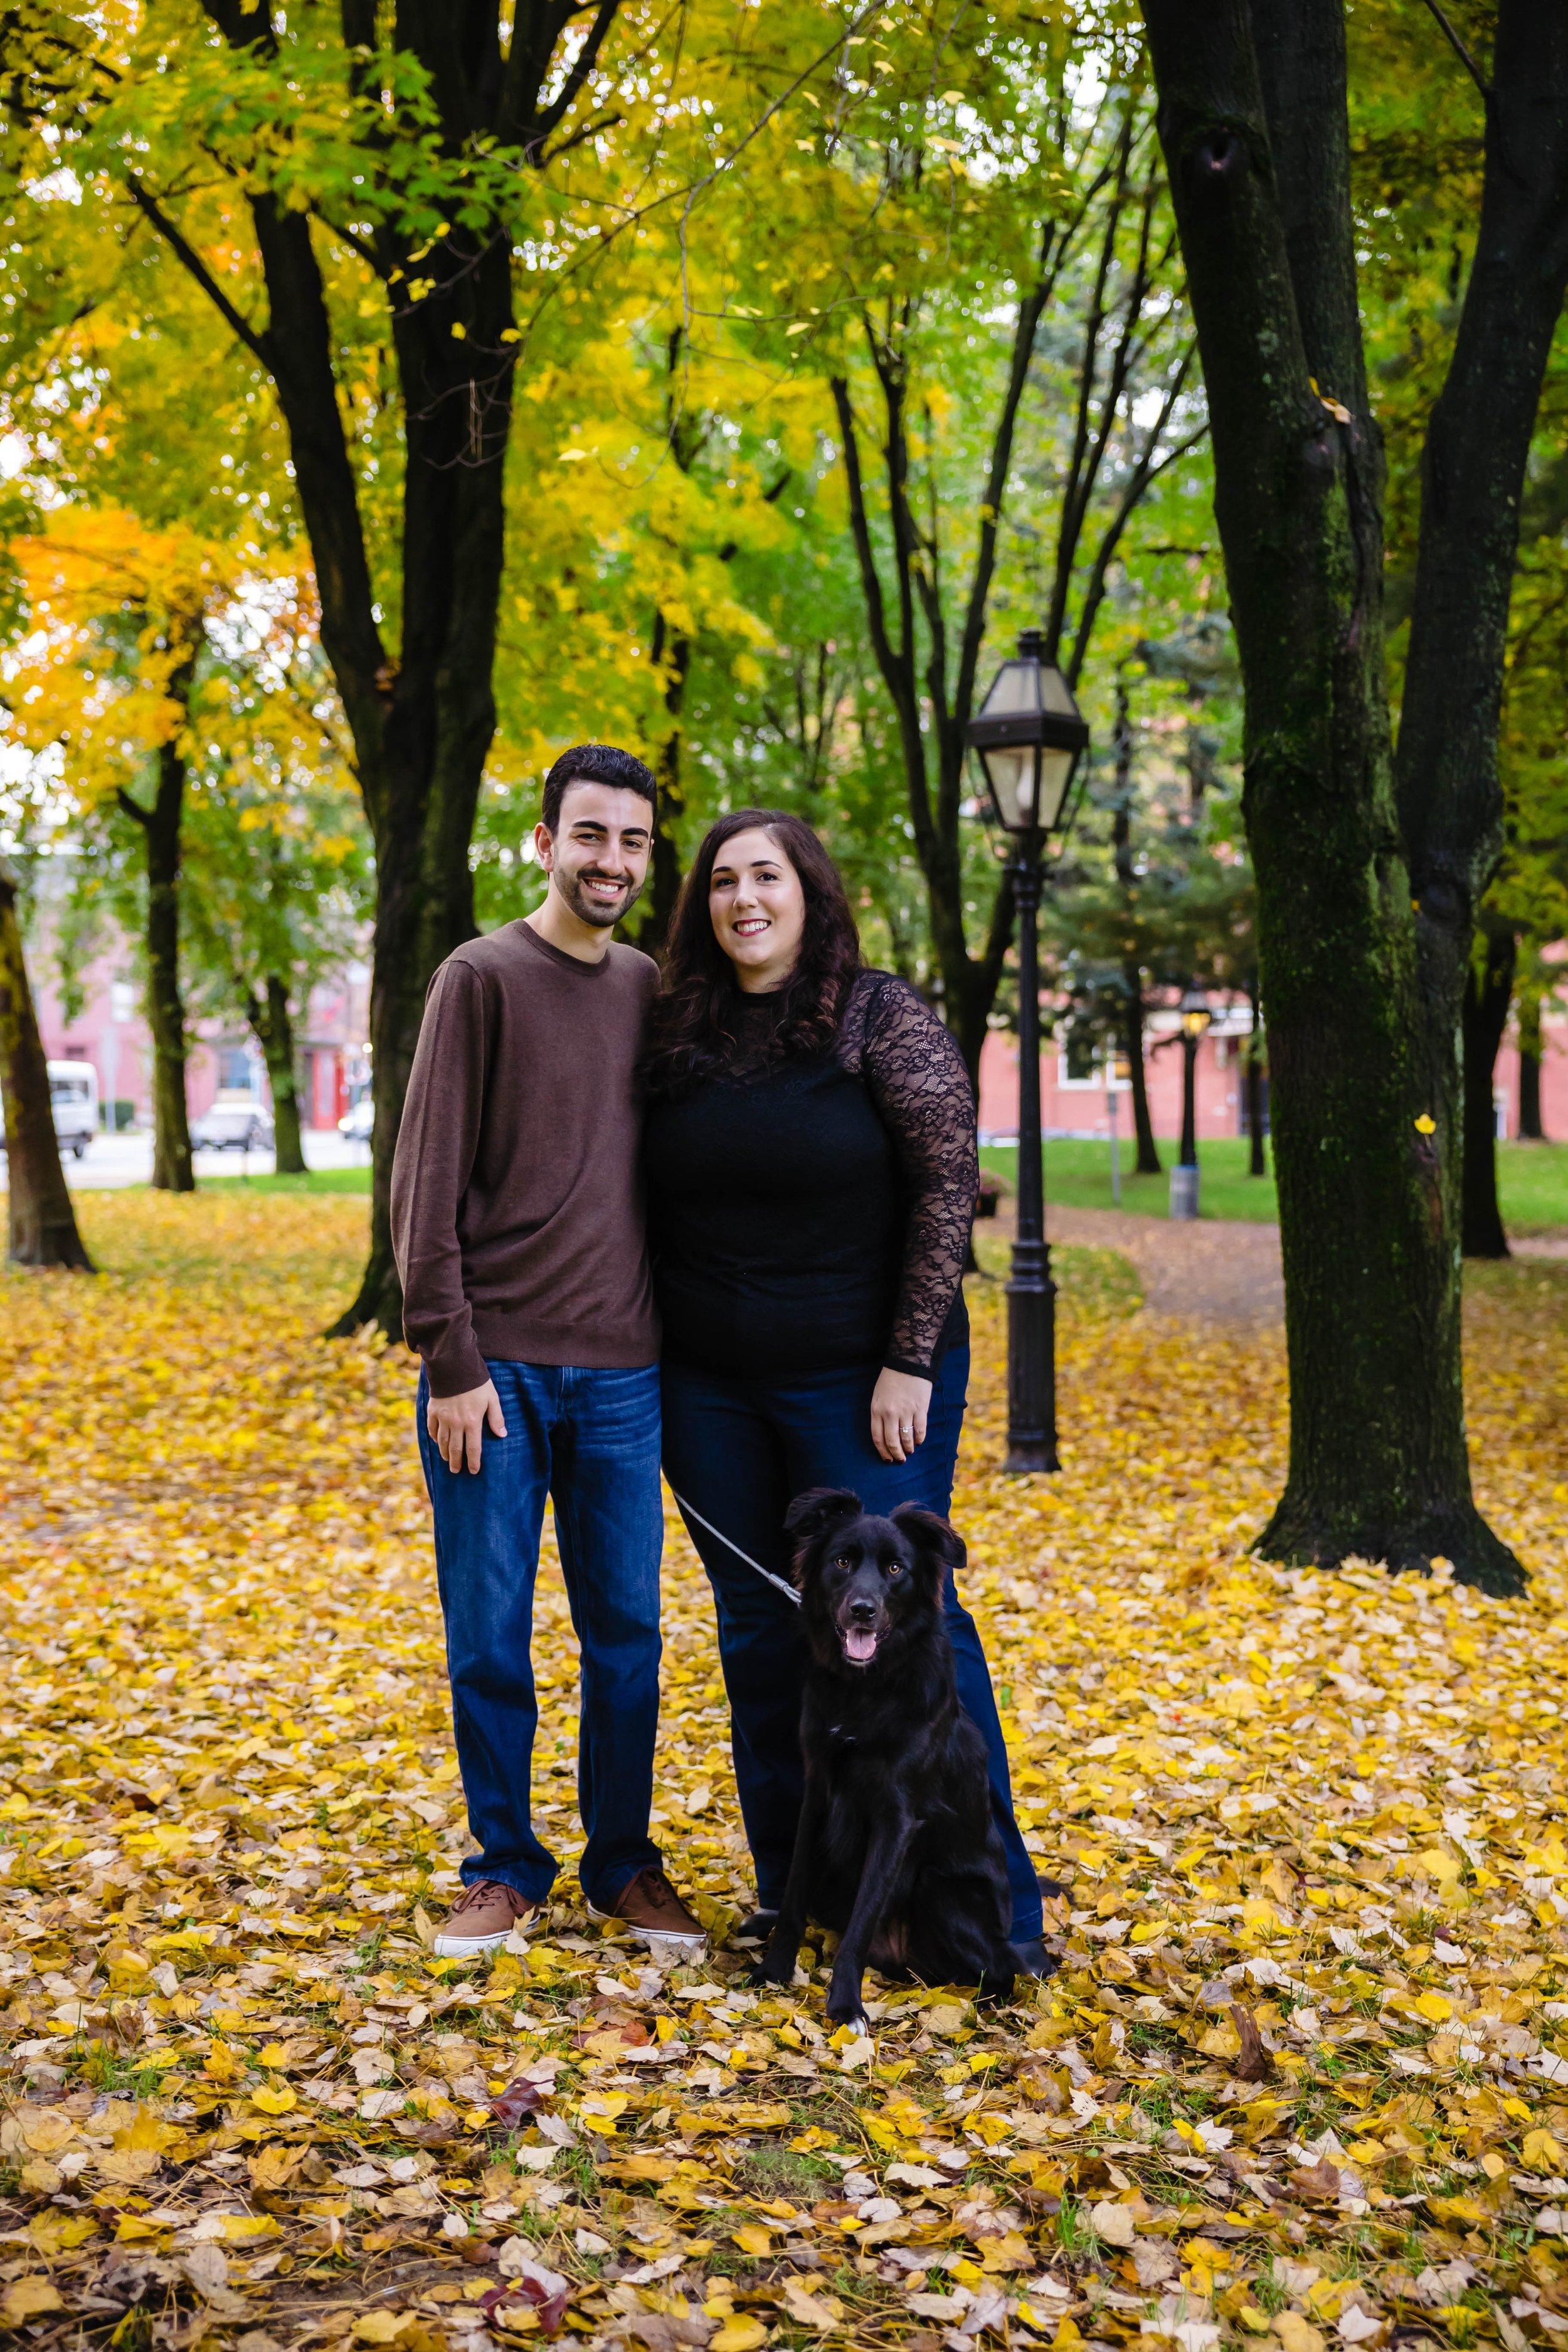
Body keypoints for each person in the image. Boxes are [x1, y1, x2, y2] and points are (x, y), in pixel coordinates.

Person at [642, 808, 1050, 1970]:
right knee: (762, 1630)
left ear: (810, 891)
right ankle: (803, 1896)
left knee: (917, 1633)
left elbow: (946, 1179)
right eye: (722, 881)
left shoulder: (880, 1016)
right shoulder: (681, 1029)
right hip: (710, 1388)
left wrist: (910, 1358)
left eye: (766, 875)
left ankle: (993, 1910)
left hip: (865, 1383)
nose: (743, 899)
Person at [391, 743, 706, 1962]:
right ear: (543, 842)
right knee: (487, 1633)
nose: (611, 861)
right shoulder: (479, 979)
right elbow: (422, 1188)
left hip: (624, 1375)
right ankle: (501, 1866)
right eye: (589, 836)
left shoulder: (649, 989)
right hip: (498, 1375)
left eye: (631, 842)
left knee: (626, 1632)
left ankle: (620, 1861)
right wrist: (449, 1358)